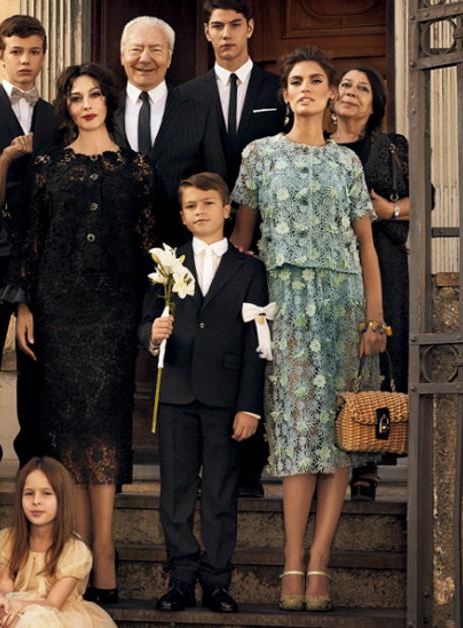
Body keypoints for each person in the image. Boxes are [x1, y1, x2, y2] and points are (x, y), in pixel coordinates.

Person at [230, 47, 387, 612]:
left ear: (329, 94)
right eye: (295, 81)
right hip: (286, 307)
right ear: (286, 94)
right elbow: (243, 244)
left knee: (341, 435)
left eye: (316, 80)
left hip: (343, 306)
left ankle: (321, 560)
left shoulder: (347, 164)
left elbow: (366, 246)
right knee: (298, 435)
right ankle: (291, 559)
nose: (305, 88)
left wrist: (375, 319)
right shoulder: (259, 155)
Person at [0, 63, 156, 604]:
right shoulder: (47, 166)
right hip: (56, 310)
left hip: (114, 311)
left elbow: (148, 249)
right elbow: (29, 240)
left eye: (94, 95)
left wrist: (148, 316)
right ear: (66, 106)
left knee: (105, 427)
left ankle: (103, 549)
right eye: (75, 97)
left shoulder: (138, 170)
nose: (86, 104)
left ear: (110, 101)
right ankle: (77, 553)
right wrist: (23, 305)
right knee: (65, 431)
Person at [137, 172, 268, 613]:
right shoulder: (166, 264)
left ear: (227, 209)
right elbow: (144, 323)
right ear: (181, 215)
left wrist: (249, 406)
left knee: (220, 493)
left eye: (208, 203)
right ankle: (181, 577)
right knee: (174, 492)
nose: (200, 212)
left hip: (225, 398)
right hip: (176, 392)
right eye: (191, 205)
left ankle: (216, 580)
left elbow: (257, 343)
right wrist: (152, 335)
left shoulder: (250, 269)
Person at [178, 0, 286, 499]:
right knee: (212, 345)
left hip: (268, 243)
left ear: (251, 28)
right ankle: (208, 465)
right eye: (217, 26)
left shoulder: (275, 90)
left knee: (255, 347)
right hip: (207, 241)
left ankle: (250, 468)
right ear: (206, 32)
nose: (226, 34)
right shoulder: (187, 94)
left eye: (235, 25)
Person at [0, 15, 59, 489]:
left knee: (35, 359)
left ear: (43, 55)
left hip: (41, 256)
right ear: (2, 55)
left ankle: (34, 458)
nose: (26, 61)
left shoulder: (56, 116)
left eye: (34, 52)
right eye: (17, 52)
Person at [331, 65, 411, 502]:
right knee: (336, 354)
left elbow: (424, 200)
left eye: (363, 88)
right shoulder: (316, 144)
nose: (351, 92)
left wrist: (389, 211)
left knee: (378, 357)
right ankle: (333, 452)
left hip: (382, 259)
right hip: (331, 264)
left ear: (375, 103)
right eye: (345, 84)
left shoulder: (391, 147)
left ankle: (369, 460)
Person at [0, 457, 115, 627]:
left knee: (31, 623)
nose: (36, 501)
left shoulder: (74, 550)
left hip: (55, 615)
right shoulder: (8, 540)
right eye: (29, 493)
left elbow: (53, 604)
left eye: (46, 493)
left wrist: (18, 606)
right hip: (15, 606)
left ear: (62, 499)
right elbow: (4, 588)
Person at [113, 16, 227, 247]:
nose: (145, 58)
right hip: (114, 246)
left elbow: (215, 184)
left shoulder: (200, 113)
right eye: (136, 49)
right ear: (123, 54)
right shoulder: (103, 111)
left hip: (180, 248)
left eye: (156, 50)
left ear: (169, 58)